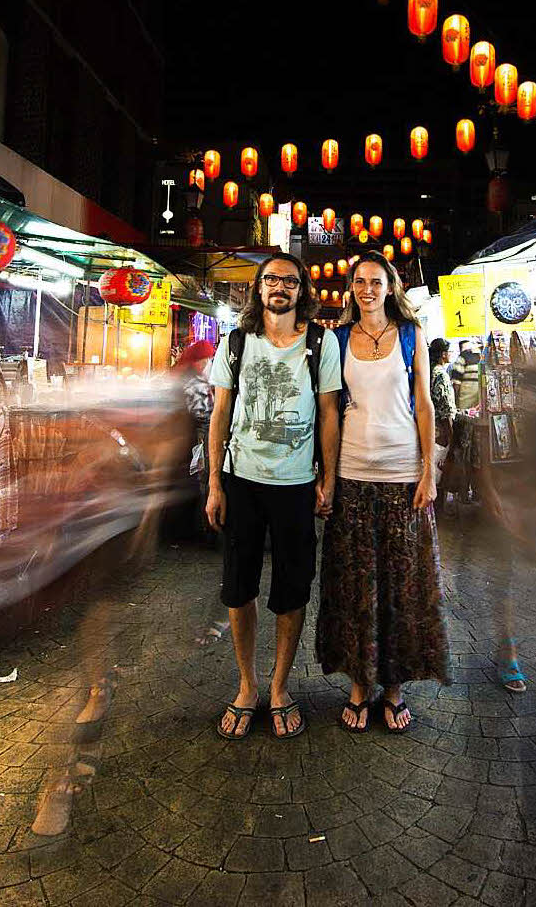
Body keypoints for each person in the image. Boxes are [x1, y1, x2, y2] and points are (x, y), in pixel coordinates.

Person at [207, 253, 341, 740]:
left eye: (288, 280)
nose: (278, 287)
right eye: (270, 279)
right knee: (237, 587)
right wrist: (214, 483)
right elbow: (220, 414)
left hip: (296, 484)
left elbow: (329, 413)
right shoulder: (237, 342)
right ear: (258, 289)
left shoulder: (320, 343)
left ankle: (281, 687)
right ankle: (247, 685)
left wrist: (329, 477)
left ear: (301, 289)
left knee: (291, 588)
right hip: (241, 480)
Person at [315, 251, 450, 734]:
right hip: (352, 473)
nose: (367, 288)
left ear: (390, 287)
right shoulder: (337, 339)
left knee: (401, 585)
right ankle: (358, 685)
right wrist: (327, 477)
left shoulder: (411, 337)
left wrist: (428, 472)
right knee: (354, 585)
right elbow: (329, 413)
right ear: (351, 288)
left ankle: (392, 688)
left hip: (401, 474)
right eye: (360, 281)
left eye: (376, 281)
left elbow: (424, 405)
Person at [429, 337, 456, 510]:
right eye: (450, 351)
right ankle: (439, 509)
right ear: (444, 354)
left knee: (432, 469)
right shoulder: (441, 375)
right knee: (440, 470)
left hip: (429, 427)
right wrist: (452, 438)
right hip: (440, 430)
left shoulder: (428, 370)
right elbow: (446, 409)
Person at [450, 338, 481, 411]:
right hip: (479, 403)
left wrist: (454, 402)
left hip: (464, 403)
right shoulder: (481, 357)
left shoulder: (462, 357)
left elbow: (456, 383)